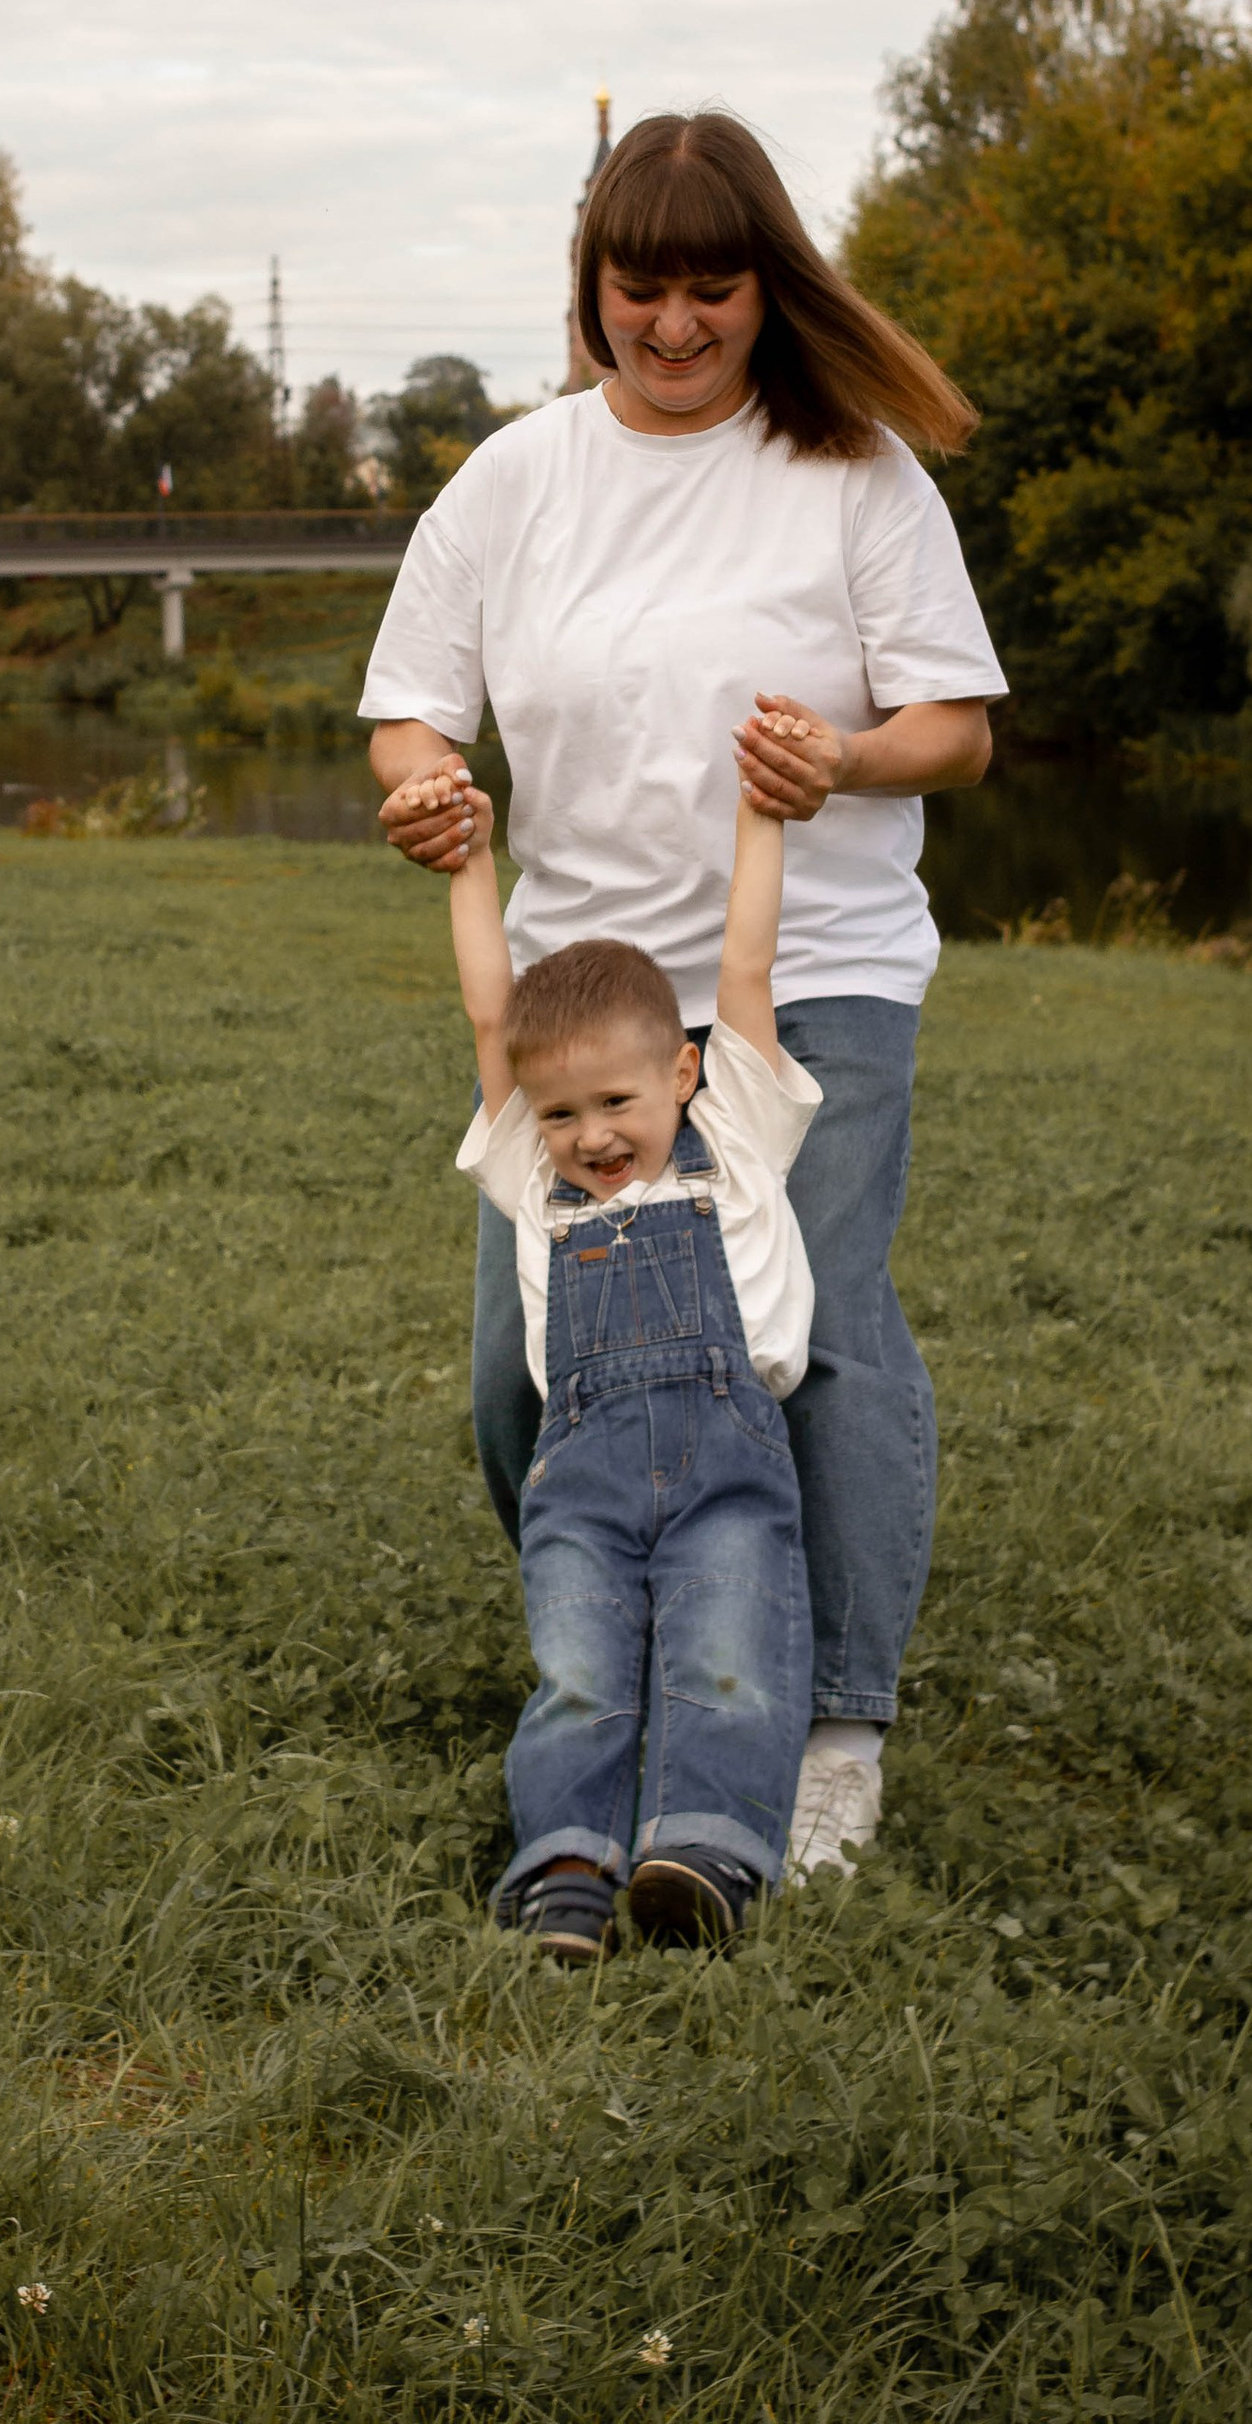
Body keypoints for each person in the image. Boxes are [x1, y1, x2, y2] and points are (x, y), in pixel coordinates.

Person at [360, 109, 1004, 1874]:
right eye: (637, 290)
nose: (670, 326)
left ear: (763, 288)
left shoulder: (856, 471)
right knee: (523, 1368)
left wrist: (848, 761)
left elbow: (956, 729)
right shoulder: (515, 481)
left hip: (819, 979)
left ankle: (831, 1731)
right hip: (591, 1010)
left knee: (822, 1341)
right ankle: (643, 1642)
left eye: (709, 291)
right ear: (593, 291)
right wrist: (427, 786)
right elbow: (410, 703)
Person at [434, 743, 822, 1963]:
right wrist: (467, 860)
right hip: (584, 1485)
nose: (590, 1136)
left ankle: (700, 1858)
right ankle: (562, 1874)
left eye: (616, 1103)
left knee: (726, 1652)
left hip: (726, 1473)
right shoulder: (529, 1181)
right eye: (558, 1113)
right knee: (580, 1669)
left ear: (684, 1073)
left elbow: (743, 964)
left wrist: (762, 818)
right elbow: (491, 1012)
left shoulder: (738, 1137)